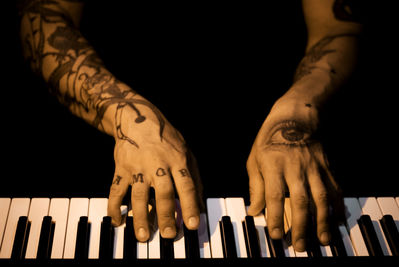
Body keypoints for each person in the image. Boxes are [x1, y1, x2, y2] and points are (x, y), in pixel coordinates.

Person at [16, 0, 363, 252]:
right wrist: (127, 114)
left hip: (277, 159)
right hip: (125, 155)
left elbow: (339, 29)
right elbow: (42, 16)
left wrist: (296, 112)